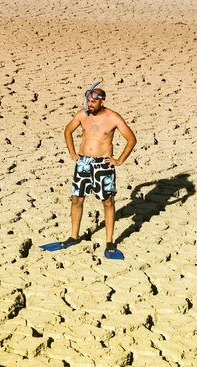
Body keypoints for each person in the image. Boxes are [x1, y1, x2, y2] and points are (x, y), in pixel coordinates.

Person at [60, 86, 137, 256]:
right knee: (76, 199)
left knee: (108, 202)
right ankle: (73, 236)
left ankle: (109, 241)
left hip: (103, 164)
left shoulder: (113, 117)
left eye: (93, 101)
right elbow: (68, 131)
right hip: (84, 162)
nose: (90, 104)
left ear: (102, 101)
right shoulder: (82, 115)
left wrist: (119, 160)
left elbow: (131, 139)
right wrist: (72, 153)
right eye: (88, 100)